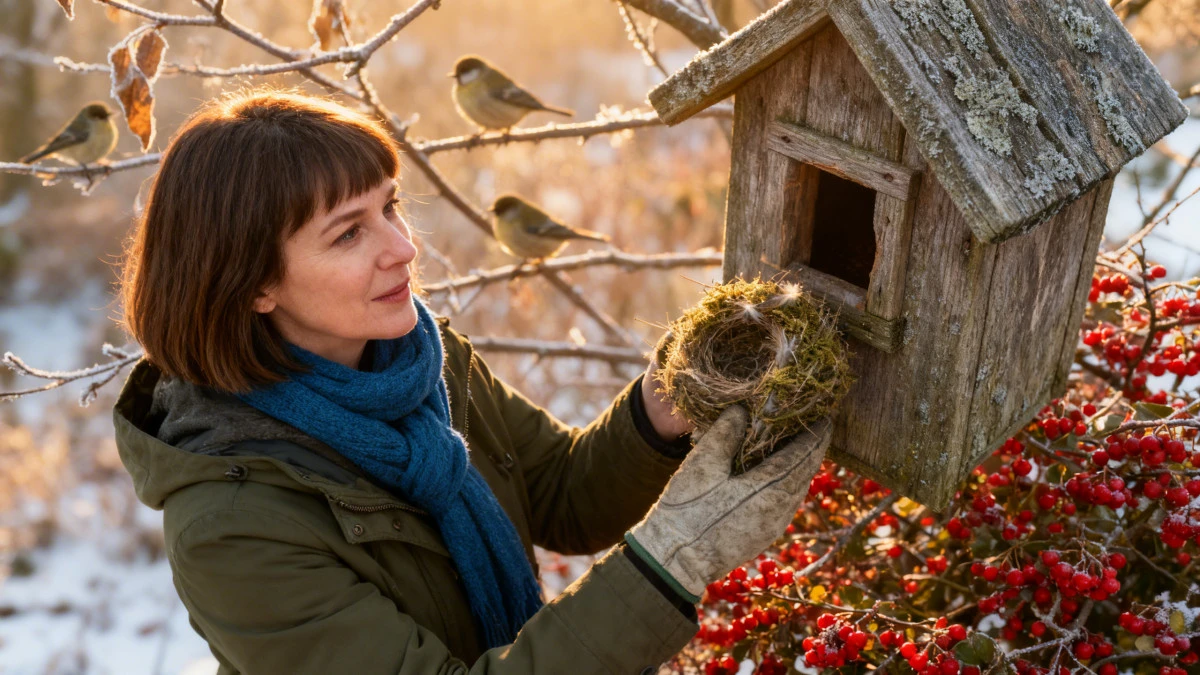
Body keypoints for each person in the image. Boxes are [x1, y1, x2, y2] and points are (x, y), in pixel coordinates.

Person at [111, 88, 830, 674]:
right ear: (255, 283)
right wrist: (676, 553)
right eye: (348, 233)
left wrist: (664, 403)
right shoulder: (232, 527)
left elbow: (562, 493)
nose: (404, 248)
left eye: (390, 206)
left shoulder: (420, 361)